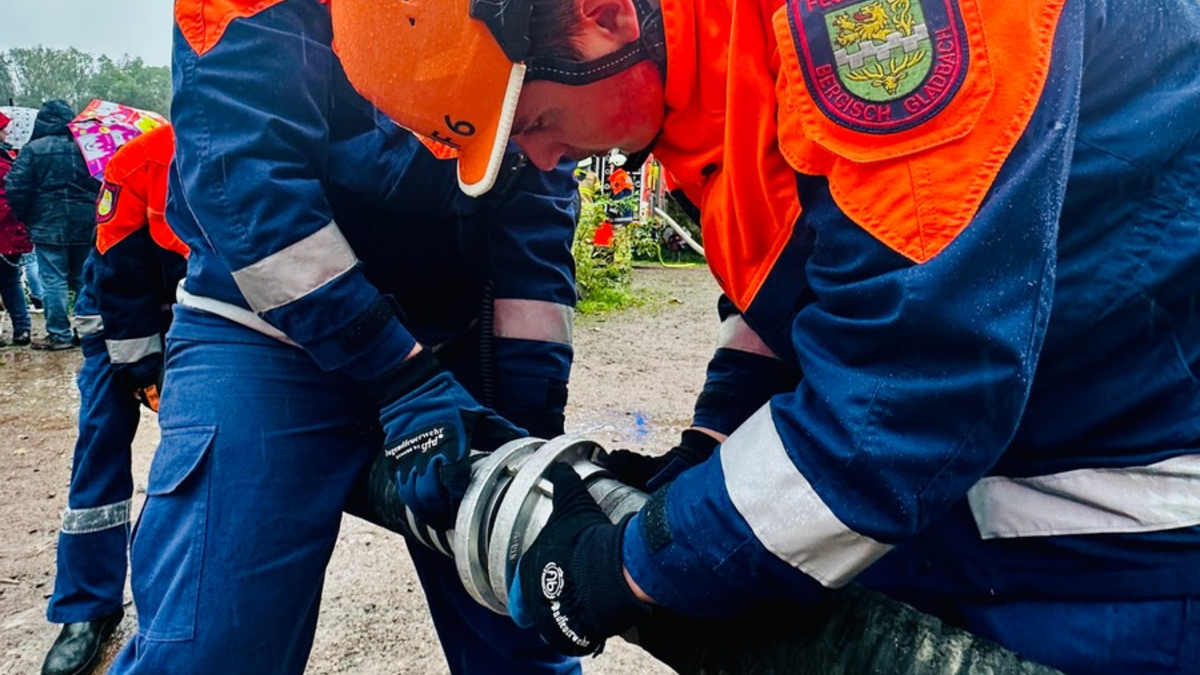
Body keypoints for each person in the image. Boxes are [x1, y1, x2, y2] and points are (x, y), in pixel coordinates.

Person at [328, 1, 1200, 673]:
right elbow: (824, 265)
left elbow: (903, 396)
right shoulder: (707, 55)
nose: (549, 162)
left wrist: (623, 567)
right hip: (950, 506)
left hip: (1113, 533)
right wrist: (706, 448)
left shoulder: (873, 24)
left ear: (603, 14)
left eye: (536, 123)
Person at [107, 3, 580, 674]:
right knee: (213, 650)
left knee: (520, 619)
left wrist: (529, 420)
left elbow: (537, 188)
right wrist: (400, 374)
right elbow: (244, 177)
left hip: (453, 336)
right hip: (263, 330)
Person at [40, 123, 186, 675]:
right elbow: (120, 279)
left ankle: (183, 596)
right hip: (117, 319)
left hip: (199, 315)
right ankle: (86, 606)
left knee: (200, 447)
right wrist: (145, 373)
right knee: (101, 437)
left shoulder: (263, 143)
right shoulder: (140, 161)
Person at [6, 100, 100, 350]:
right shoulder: (88, 147)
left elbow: (15, 186)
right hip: (86, 223)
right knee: (83, 278)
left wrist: (27, 215)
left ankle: (59, 335)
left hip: (47, 224)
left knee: (53, 280)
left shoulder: (33, 149)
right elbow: (102, 181)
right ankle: (88, 331)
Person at [0, 110, 33, 346]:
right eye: (3, 129)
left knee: (11, 280)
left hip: (8, 231)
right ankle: (22, 328)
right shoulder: (8, 159)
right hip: (8, 229)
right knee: (11, 281)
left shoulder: (9, 156)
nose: (7, 132)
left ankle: (22, 327)